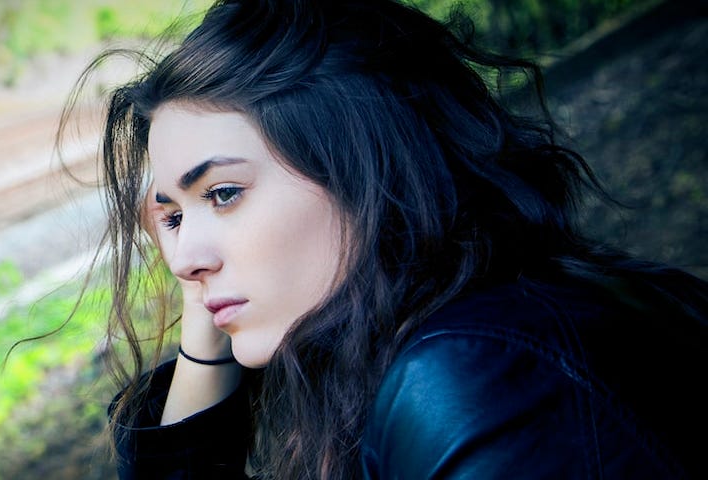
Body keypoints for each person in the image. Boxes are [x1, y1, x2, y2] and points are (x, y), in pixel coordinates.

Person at [58, 0, 708, 478]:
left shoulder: (475, 379)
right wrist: (207, 343)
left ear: (365, 169)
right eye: (171, 217)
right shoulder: (446, 336)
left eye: (224, 194)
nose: (184, 261)